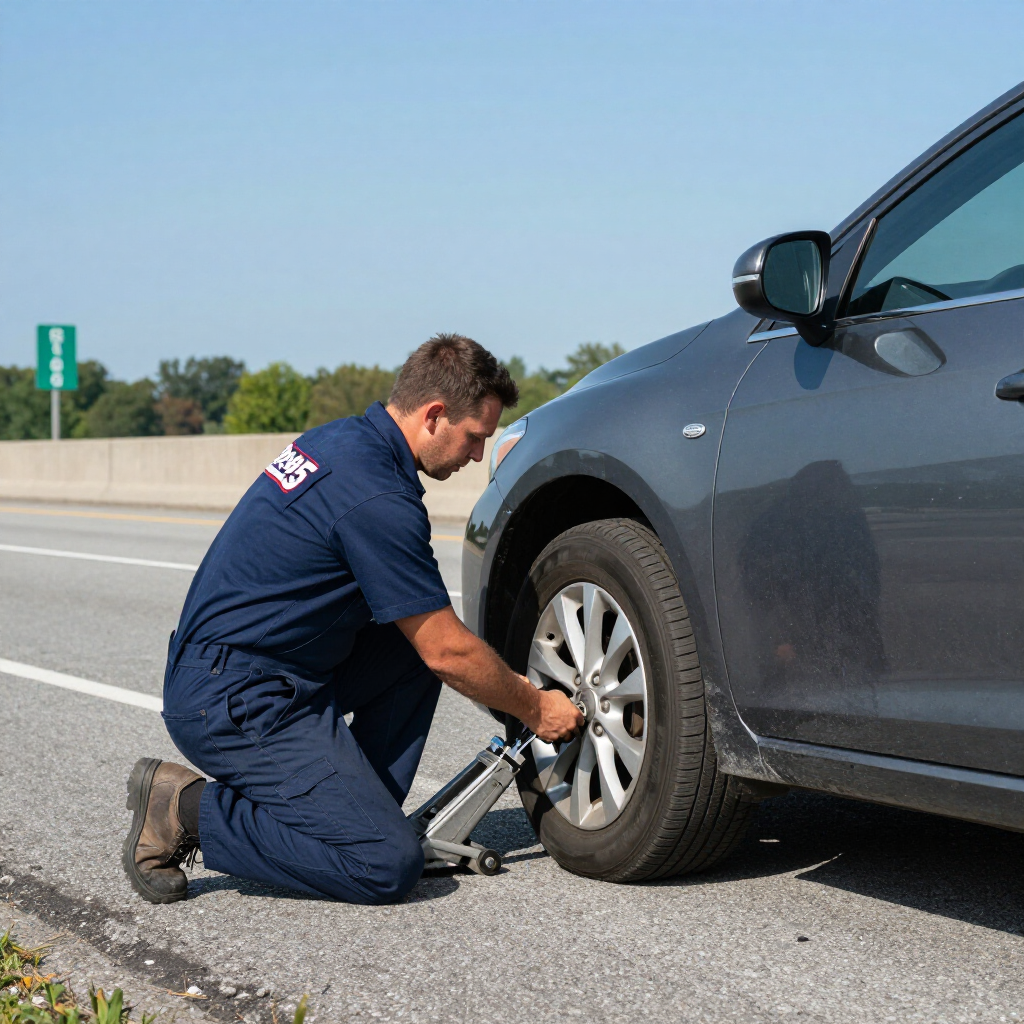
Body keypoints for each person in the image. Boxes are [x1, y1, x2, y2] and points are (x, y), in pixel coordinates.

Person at [122, 334, 583, 906]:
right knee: (384, 864)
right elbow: (448, 651)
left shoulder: (340, 441)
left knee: (411, 654)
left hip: (265, 666)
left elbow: (429, 646)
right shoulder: (377, 498)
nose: (475, 457)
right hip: (232, 700)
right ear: (435, 415)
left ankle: (348, 813)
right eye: (475, 439)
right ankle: (184, 809)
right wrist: (535, 706)